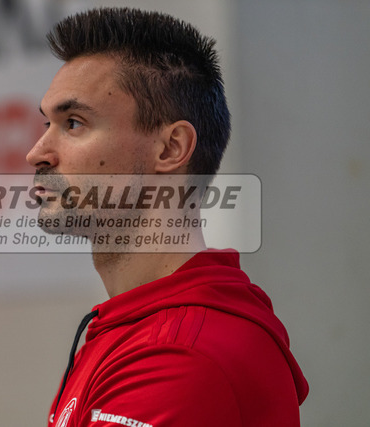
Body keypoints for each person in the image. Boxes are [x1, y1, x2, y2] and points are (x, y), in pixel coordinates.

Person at [26, 7, 309, 427]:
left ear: (171, 148)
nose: (36, 153)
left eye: (73, 123)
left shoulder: (180, 354)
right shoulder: (131, 327)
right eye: (47, 124)